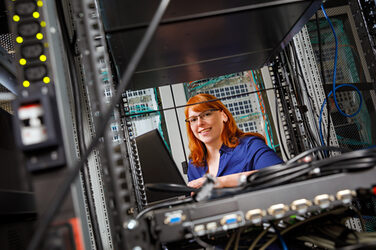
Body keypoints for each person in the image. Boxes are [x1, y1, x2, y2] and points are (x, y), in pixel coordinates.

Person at [185, 93, 283, 189]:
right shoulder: (194, 165)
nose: (200, 123)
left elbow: (279, 174)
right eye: (193, 120)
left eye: (206, 114)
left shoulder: (250, 146)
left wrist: (220, 182)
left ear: (223, 115)